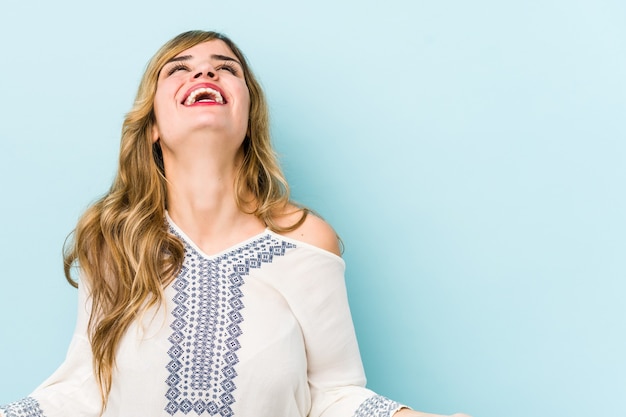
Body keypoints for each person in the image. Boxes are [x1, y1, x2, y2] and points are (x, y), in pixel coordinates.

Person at [0, 30, 470, 417]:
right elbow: (82, 389)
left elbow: (333, 393)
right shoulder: (116, 240)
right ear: (153, 129)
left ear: (249, 115)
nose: (204, 71)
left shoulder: (306, 240)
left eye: (226, 68)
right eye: (178, 68)